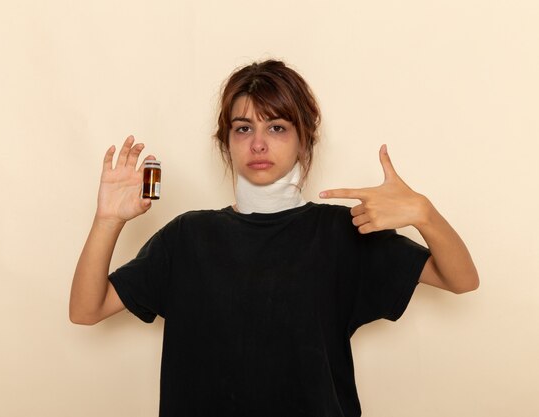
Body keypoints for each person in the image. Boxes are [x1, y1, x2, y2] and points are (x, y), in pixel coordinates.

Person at [69, 60, 479, 417]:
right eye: (243, 128)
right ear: (226, 143)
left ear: (304, 141)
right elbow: (87, 310)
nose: (259, 143)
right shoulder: (188, 236)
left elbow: (460, 279)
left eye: (277, 127)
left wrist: (425, 214)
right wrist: (107, 221)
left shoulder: (342, 232)